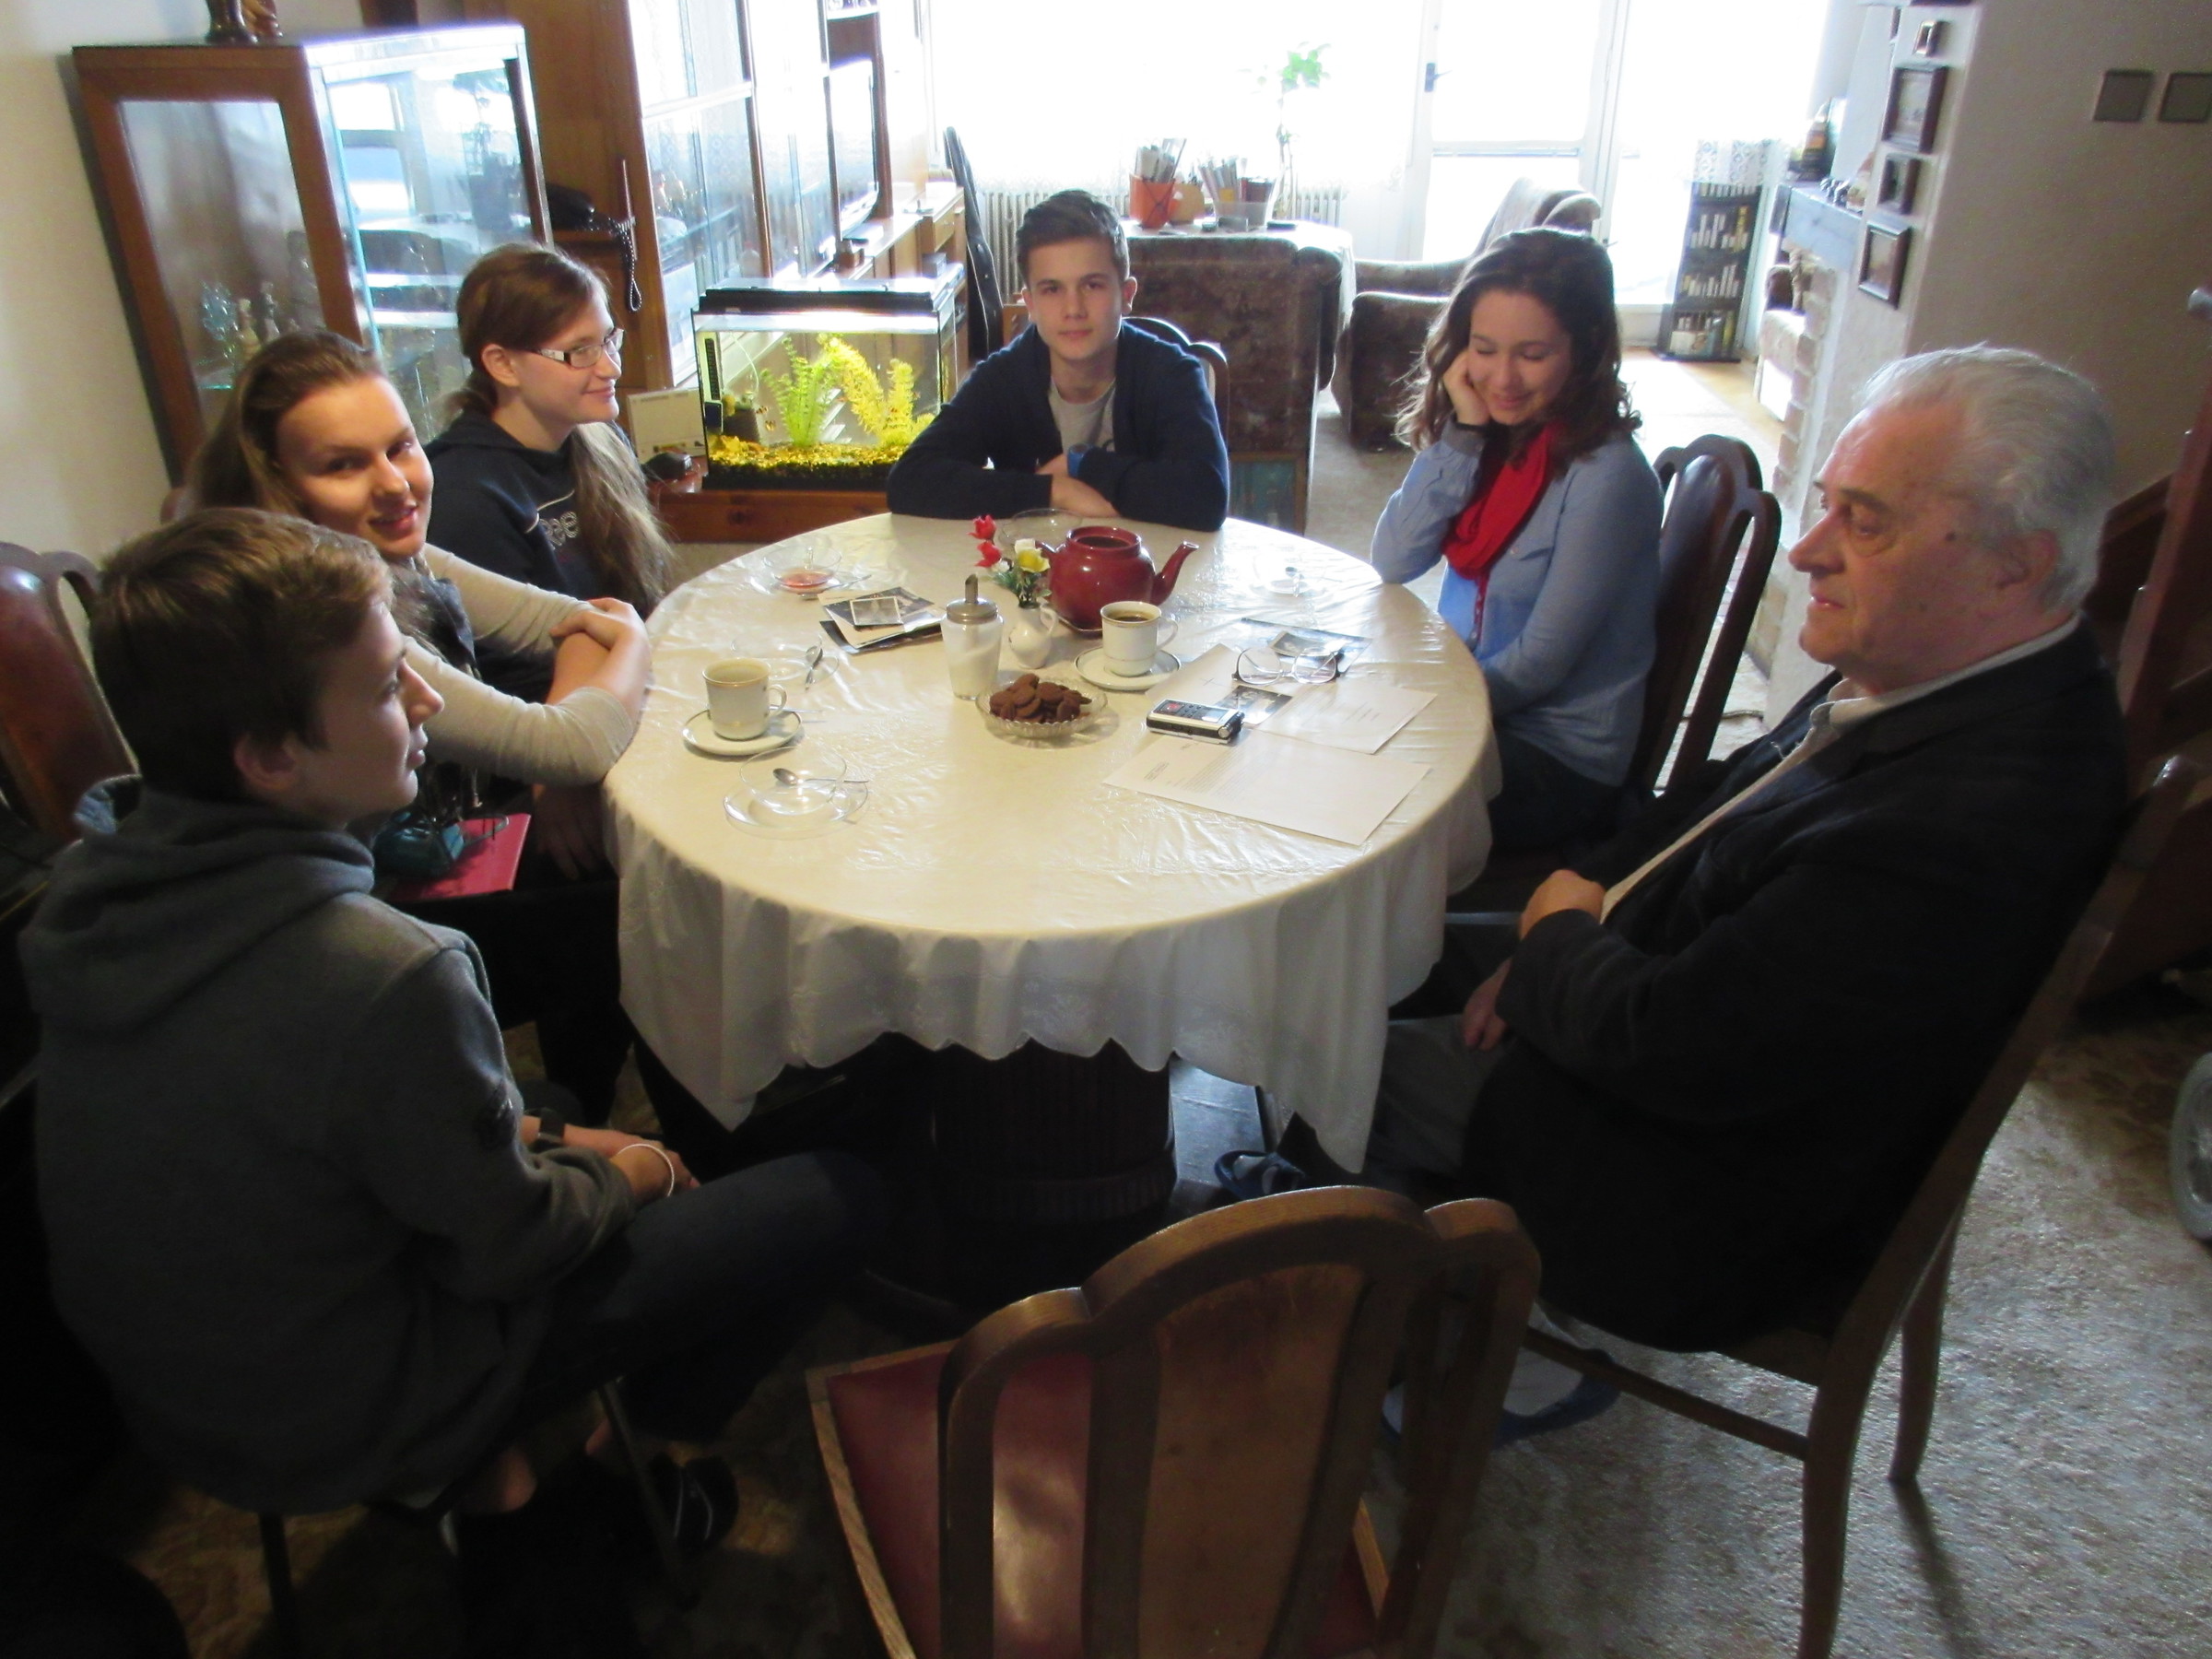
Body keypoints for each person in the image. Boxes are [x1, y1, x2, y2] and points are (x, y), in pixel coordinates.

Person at [22, 510, 884, 1653]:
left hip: (182, 1405)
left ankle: (516, 1478)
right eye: (390, 687)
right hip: (349, 1409)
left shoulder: (90, 900)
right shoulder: (384, 971)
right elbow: (513, 1247)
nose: (427, 701)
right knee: (832, 1196)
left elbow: (312, 1129)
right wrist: (633, 1171)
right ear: (269, 756)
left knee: (554, 1113)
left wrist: (548, 1139)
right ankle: (605, 1473)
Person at [1365, 346, 2129, 1375]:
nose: (1809, 552)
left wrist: (1554, 948)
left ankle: (1368, 1365)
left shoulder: (1972, 821)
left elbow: (1670, 1047)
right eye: (1827, 506)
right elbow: (1713, 799)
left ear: (2017, 564)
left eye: (1866, 521)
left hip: (1680, 1187)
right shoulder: (1941, 669)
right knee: (1371, 947)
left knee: (1322, 1062)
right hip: (1648, 988)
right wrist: (1571, 920)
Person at [189, 330, 652, 1124]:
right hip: (373, 912)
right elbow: (576, 728)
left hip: (434, 840)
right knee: (637, 913)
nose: (394, 483)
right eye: (344, 465)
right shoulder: (331, 620)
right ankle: (603, 1135)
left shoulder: (403, 555)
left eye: (400, 447)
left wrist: (560, 760)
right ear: (280, 488)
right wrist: (611, 671)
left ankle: (576, 1110)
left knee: (607, 850)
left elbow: (574, 627)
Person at [1371, 228, 1663, 853]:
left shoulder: (1606, 478)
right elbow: (1393, 558)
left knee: (1352, 793)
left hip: (1557, 758)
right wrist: (1462, 435)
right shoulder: (1488, 437)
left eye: (1532, 354)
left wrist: (1418, 710)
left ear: (1585, 350)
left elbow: (1539, 665)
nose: (1502, 378)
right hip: (1473, 702)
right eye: (1484, 349)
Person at [886, 188, 1230, 531]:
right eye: (1052, 289)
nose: (1073, 309)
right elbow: (910, 480)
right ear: (1030, 304)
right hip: (1036, 562)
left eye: (1092, 286)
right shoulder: (1004, 378)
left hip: (1155, 560)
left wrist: (1080, 463)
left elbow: (1206, 496)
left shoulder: (1171, 373)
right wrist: (1055, 490)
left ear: (1126, 295)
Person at [429, 244, 676, 700]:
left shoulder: (603, 440)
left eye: (609, 340)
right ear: (502, 364)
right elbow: (513, 687)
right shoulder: (464, 496)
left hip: (631, 686)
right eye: (580, 351)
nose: (611, 367)